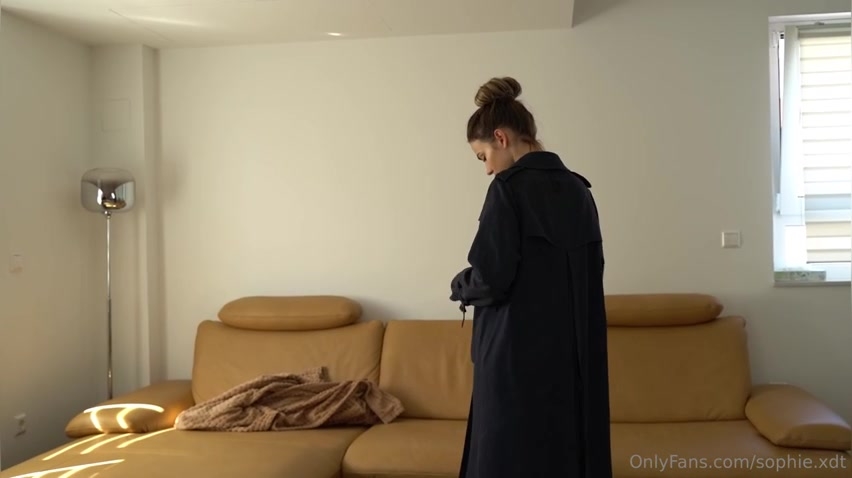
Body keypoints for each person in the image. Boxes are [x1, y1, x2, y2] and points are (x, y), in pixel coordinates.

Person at [449, 77, 612, 478]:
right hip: (573, 358)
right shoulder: (579, 190)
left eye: (483, 156)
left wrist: (460, 285)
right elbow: (593, 272)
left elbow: (491, 278)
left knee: (505, 455)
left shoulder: (507, 189)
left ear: (501, 138)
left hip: (513, 357)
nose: (487, 168)